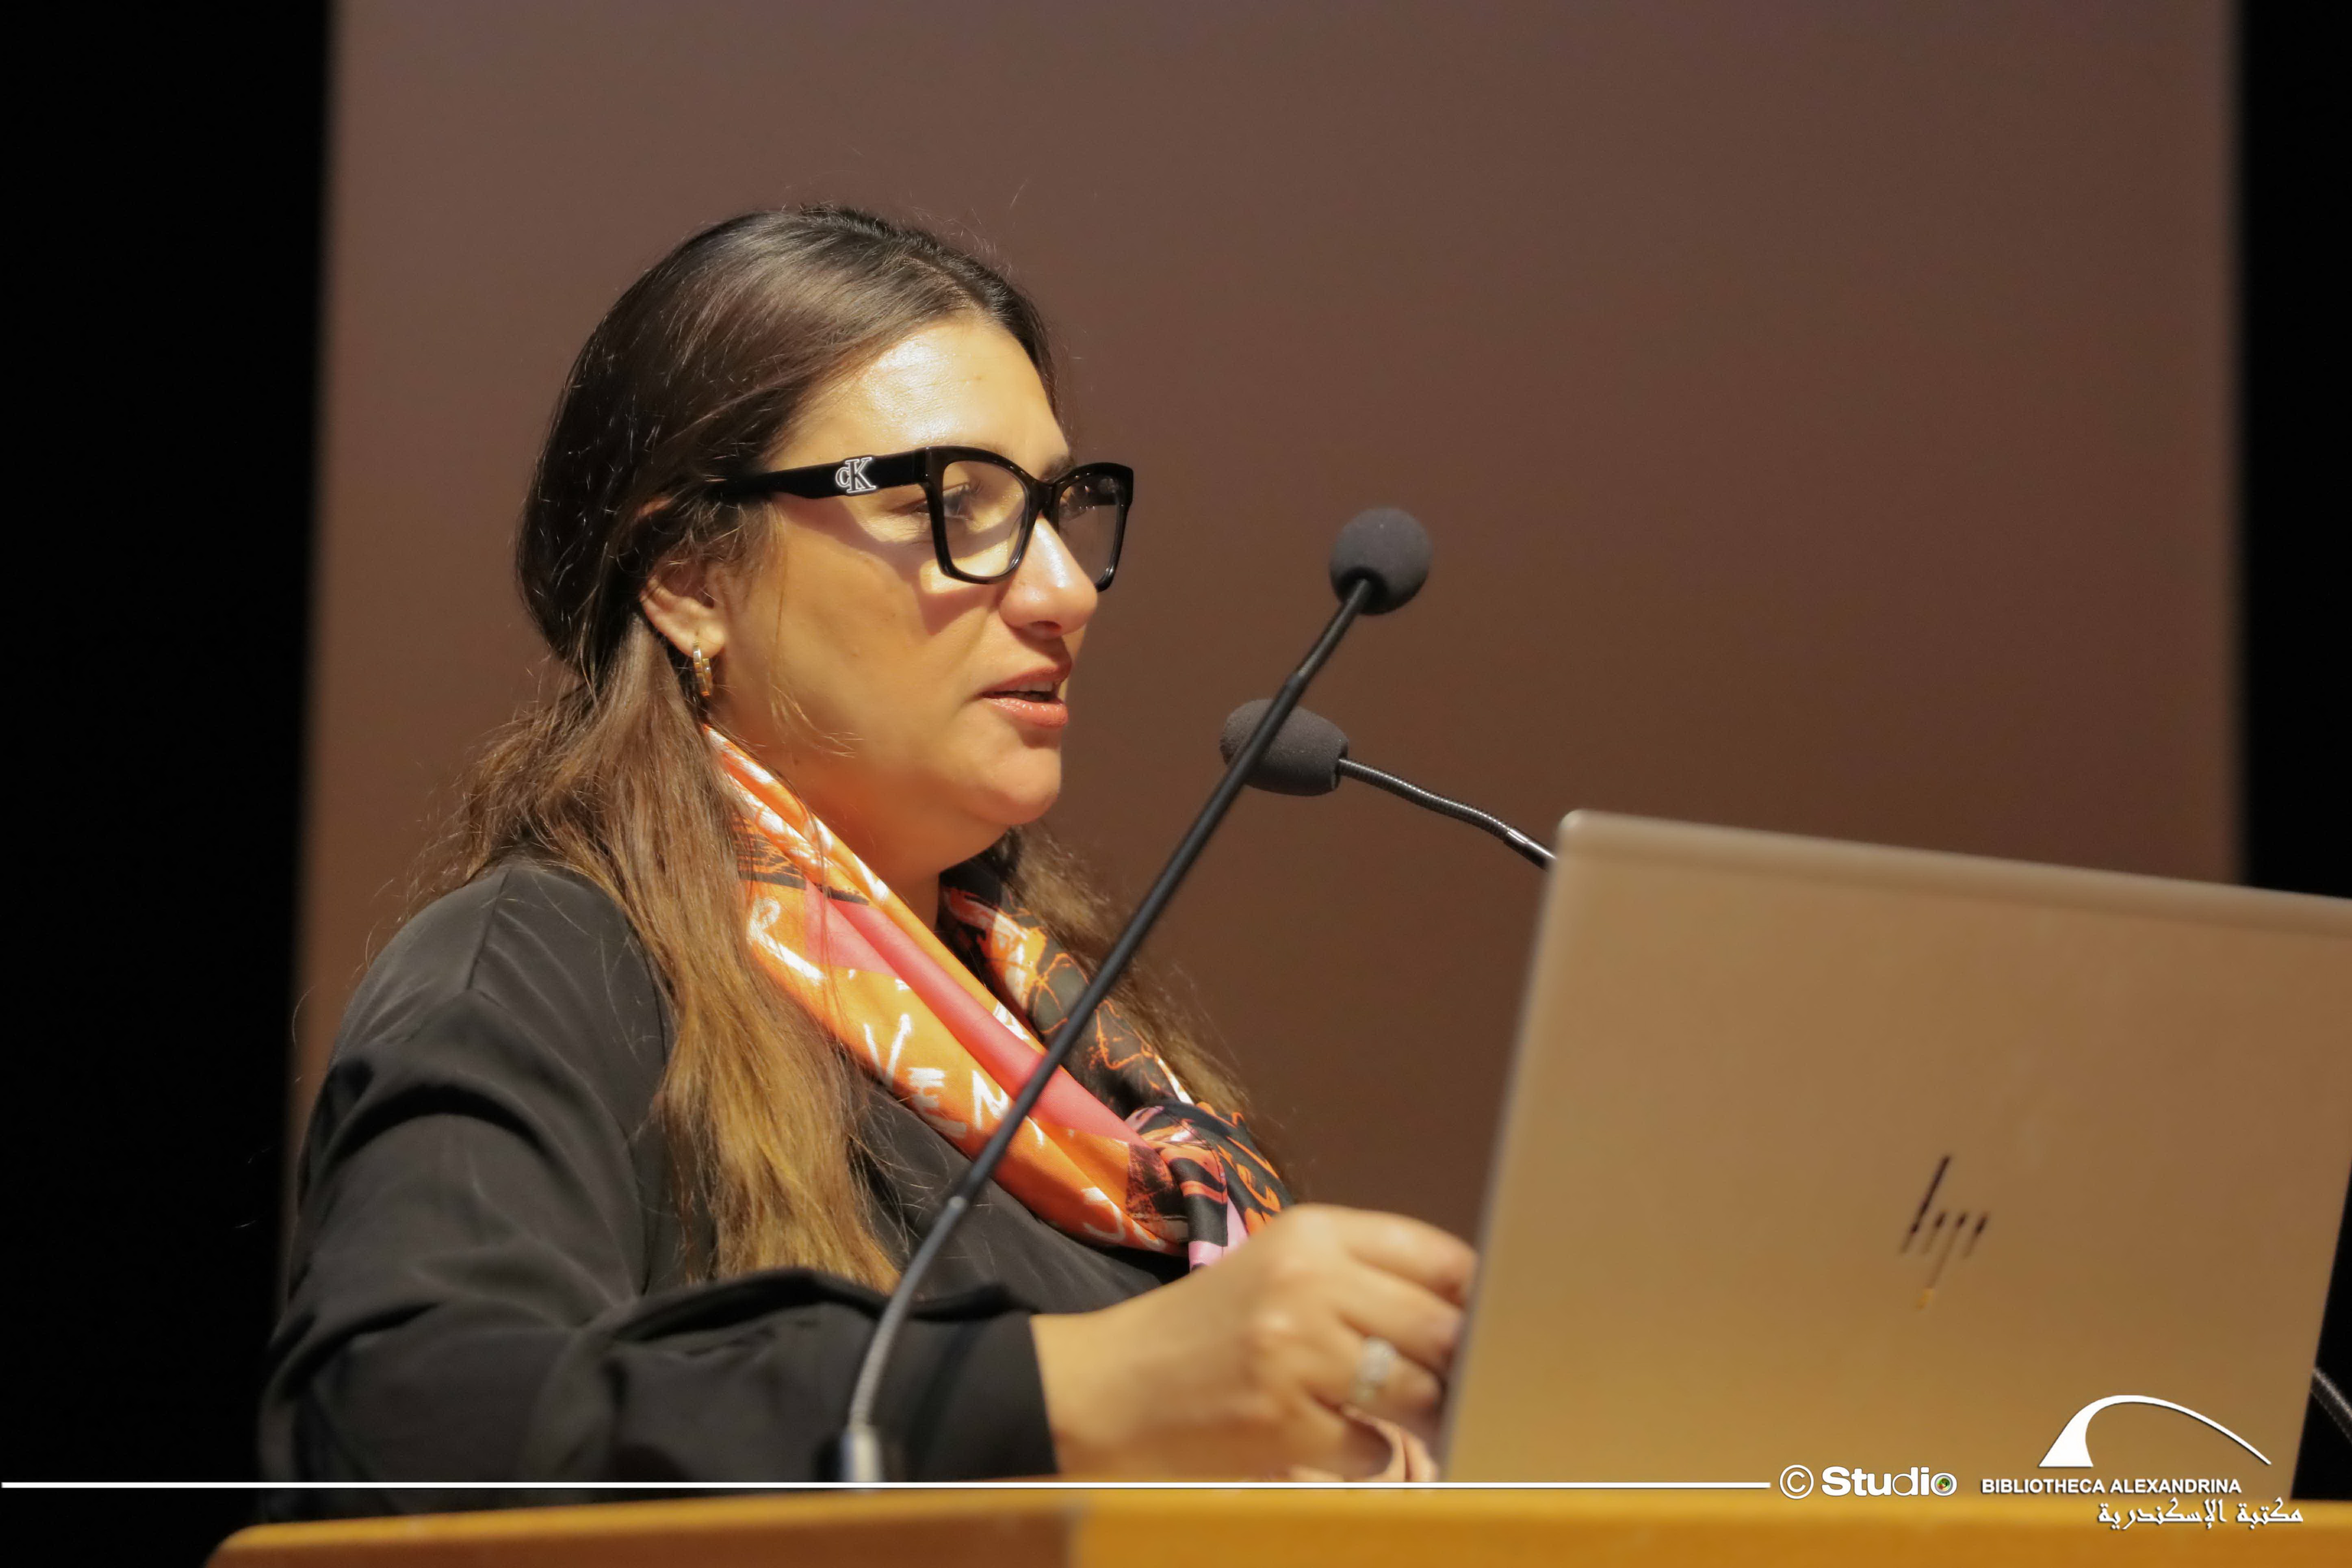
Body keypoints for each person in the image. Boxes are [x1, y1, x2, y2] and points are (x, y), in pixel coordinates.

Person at [262, 207, 1475, 1495]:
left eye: (1057, 509)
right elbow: (394, 1419)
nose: (1063, 589)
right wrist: (1073, 1390)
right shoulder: (546, 965)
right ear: (692, 578)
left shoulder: (1095, 1068)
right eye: (955, 503)